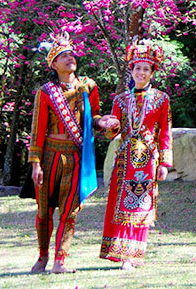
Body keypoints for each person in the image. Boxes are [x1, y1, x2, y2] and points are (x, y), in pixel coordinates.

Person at [27, 32, 119, 274]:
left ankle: (60, 261)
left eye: (71, 54)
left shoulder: (88, 86)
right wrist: (35, 163)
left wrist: (104, 123)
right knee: (44, 209)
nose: (70, 58)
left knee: (70, 210)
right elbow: (37, 130)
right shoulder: (46, 93)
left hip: (76, 156)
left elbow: (95, 116)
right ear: (54, 64)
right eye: (63, 55)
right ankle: (42, 256)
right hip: (50, 156)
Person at [100, 39, 173, 270]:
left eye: (145, 69)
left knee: (140, 205)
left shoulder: (162, 99)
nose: (141, 72)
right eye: (137, 68)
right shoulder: (120, 100)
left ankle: (134, 255)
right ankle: (122, 254)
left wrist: (165, 162)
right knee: (122, 205)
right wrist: (109, 124)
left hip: (147, 160)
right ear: (131, 71)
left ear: (152, 72)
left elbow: (165, 132)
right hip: (125, 159)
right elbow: (114, 132)